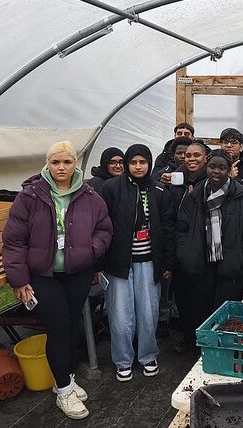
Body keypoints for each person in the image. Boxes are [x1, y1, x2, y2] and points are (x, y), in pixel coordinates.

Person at [2, 141, 112, 420]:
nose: (61, 168)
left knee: (72, 325)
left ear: (76, 164)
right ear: (47, 164)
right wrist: (18, 279)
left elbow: (104, 229)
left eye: (67, 162)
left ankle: (67, 378)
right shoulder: (30, 197)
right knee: (59, 327)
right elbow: (14, 240)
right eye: (55, 162)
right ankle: (64, 390)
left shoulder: (90, 196)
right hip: (44, 275)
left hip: (78, 272)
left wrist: (92, 252)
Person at [99, 144, 175, 383]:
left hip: (149, 262)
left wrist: (168, 263)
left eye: (143, 162)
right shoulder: (111, 189)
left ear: (149, 164)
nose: (138, 167)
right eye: (134, 162)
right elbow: (101, 227)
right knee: (121, 315)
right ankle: (123, 360)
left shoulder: (160, 191)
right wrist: (99, 264)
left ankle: (148, 355)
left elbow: (169, 229)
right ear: (127, 165)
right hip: (119, 264)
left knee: (148, 312)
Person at [175, 150, 243, 342]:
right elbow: (181, 228)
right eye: (212, 166)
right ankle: (200, 348)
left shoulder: (242, 197)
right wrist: (186, 254)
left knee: (224, 313)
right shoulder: (194, 196)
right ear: (207, 166)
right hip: (200, 263)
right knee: (199, 310)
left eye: (222, 168)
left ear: (230, 170)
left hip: (230, 265)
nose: (216, 171)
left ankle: (221, 346)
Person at [166, 140, 210, 353]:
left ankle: (202, 340)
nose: (191, 159)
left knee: (201, 298)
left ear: (205, 158)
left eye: (196, 156)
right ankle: (188, 336)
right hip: (178, 245)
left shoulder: (211, 181)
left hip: (202, 249)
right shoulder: (176, 179)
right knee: (182, 296)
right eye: (188, 155)